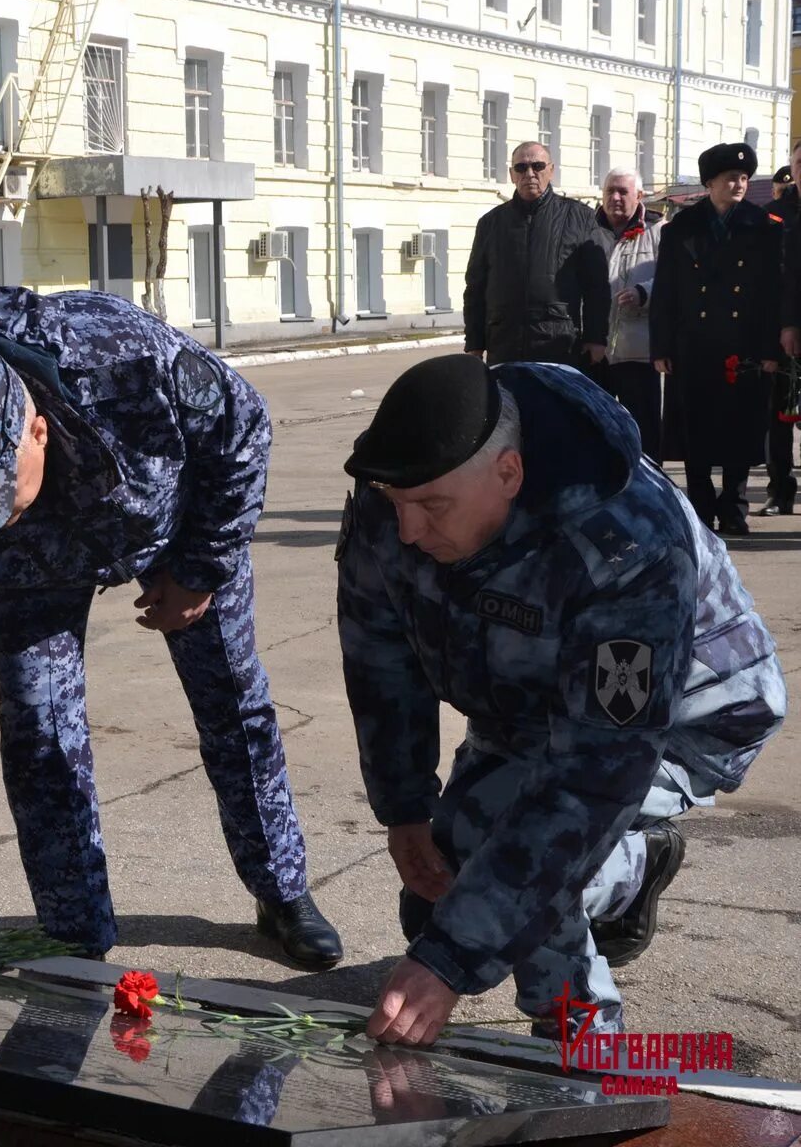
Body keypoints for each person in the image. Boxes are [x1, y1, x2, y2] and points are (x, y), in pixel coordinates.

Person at [0, 286, 343, 970]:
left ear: (37, 430)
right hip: (36, 571)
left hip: (173, 520)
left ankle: (281, 889)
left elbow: (243, 428)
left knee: (232, 702)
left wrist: (200, 570)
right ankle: (74, 930)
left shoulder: (124, 362)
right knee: (39, 725)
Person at [337, 352, 784, 1047]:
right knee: (438, 895)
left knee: (524, 872)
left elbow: (592, 778)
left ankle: (584, 1044)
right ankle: (619, 882)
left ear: (507, 474)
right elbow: (378, 654)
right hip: (524, 711)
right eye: (397, 507)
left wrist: (448, 965)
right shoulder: (402, 485)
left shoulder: (625, 544)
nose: (407, 532)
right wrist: (402, 807)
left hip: (685, 717)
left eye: (430, 510)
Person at [650, 142, 783, 535]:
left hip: (745, 346)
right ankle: (700, 506)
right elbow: (666, 291)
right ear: (710, 183)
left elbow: (773, 293)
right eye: (730, 179)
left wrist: (771, 350)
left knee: (740, 429)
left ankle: (734, 507)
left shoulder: (763, 227)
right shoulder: (682, 229)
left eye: (743, 178)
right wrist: (661, 347)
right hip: (694, 345)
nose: (739, 184)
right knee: (697, 431)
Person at [463, 141, 610, 367]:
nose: (529, 174)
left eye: (538, 166)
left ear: (551, 170)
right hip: (504, 346)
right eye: (521, 168)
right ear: (512, 175)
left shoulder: (579, 217)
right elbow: (475, 287)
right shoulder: (491, 223)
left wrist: (596, 337)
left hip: (558, 346)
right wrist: (474, 342)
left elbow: (597, 286)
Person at [593, 167, 664, 462]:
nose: (616, 198)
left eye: (623, 191)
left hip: (639, 352)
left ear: (639, 196)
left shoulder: (658, 232)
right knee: (598, 431)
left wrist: (642, 293)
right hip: (596, 351)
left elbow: (672, 281)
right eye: (610, 191)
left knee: (644, 434)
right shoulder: (587, 230)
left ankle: (650, 496)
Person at [761, 147, 801, 516]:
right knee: (779, 415)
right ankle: (780, 489)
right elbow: (775, 278)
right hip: (783, 329)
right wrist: (786, 324)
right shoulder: (775, 214)